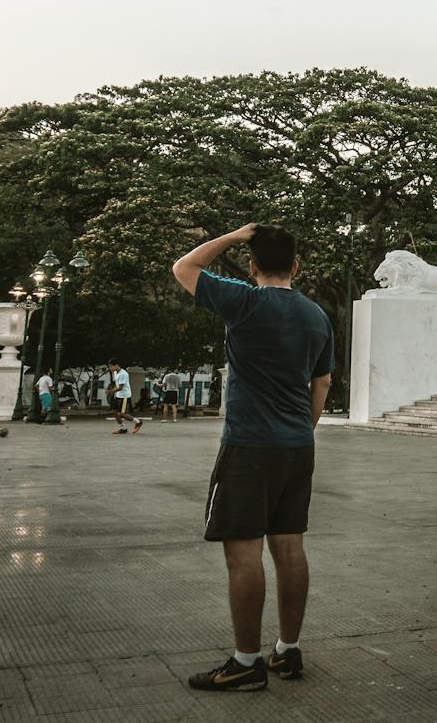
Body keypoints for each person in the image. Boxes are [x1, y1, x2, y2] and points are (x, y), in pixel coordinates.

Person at [171, 222, 333, 693]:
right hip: (297, 447)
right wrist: (304, 429)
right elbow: (321, 384)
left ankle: (245, 662)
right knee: (290, 547)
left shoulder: (242, 301)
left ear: (253, 266)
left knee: (243, 551)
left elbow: (185, 267)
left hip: (249, 446)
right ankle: (287, 649)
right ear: (297, 266)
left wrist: (236, 235)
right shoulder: (316, 316)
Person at [108, 362, 141, 435]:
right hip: (118, 395)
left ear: (116, 365)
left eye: (111, 366)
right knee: (114, 412)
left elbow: (120, 388)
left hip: (125, 396)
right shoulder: (116, 373)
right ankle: (123, 428)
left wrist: (111, 391)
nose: (110, 368)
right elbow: (117, 385)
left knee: (122, 414)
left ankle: (138, 422)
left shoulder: (123, 374)